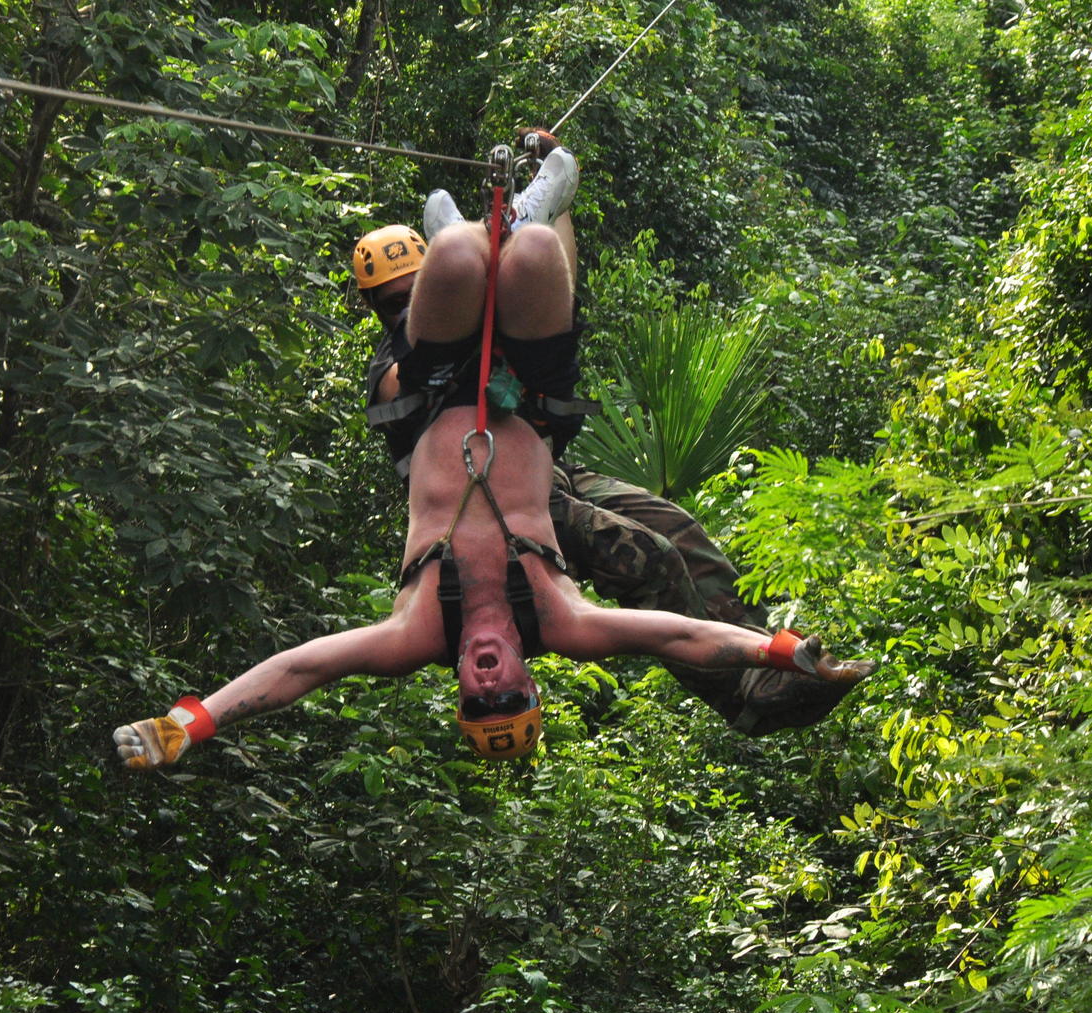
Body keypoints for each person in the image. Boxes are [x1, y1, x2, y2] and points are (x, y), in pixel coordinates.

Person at [113, 198, 878, 768]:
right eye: (508, 695)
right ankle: (528, 212)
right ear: (526, 682)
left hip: (441, 399)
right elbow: (679, 634)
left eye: (479, 702)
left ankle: (489, 226)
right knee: (539, 250)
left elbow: (303, 667)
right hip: (532, 405)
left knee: (451, 258)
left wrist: (191, 724)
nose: (489, 684)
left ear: (462, 692)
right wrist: (779, 652)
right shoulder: (565, 624)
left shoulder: (416, 635)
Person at [352, 133, 868, 737]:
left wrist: (552, 201)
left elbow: (555, 293)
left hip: (542, 474)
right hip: (503, 512)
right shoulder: (397, 360)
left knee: (678, 528)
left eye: (417, 288)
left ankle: (762, 644)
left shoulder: (471, 320)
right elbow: (401, 384)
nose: (408, 306)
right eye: (394, 302)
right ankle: (746, 696)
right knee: (651, 559)